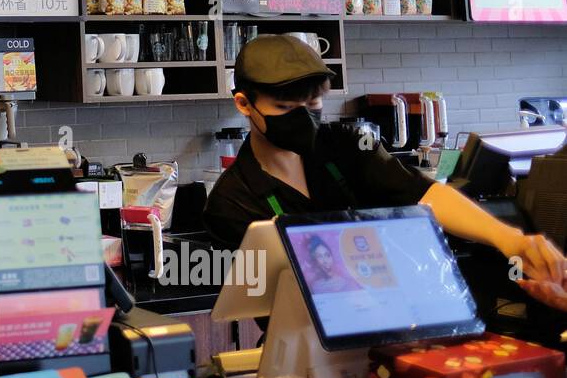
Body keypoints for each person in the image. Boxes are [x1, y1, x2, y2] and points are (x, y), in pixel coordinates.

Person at [204, 35, 567, 296]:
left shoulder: (348, 146)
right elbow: (260, 298)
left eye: (313, 105)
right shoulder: (232, 200)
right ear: (243, 104)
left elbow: (426, 195)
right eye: (284, 109)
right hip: (309, 346)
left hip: (400, 315)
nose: (304, 118)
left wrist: (511, 240)